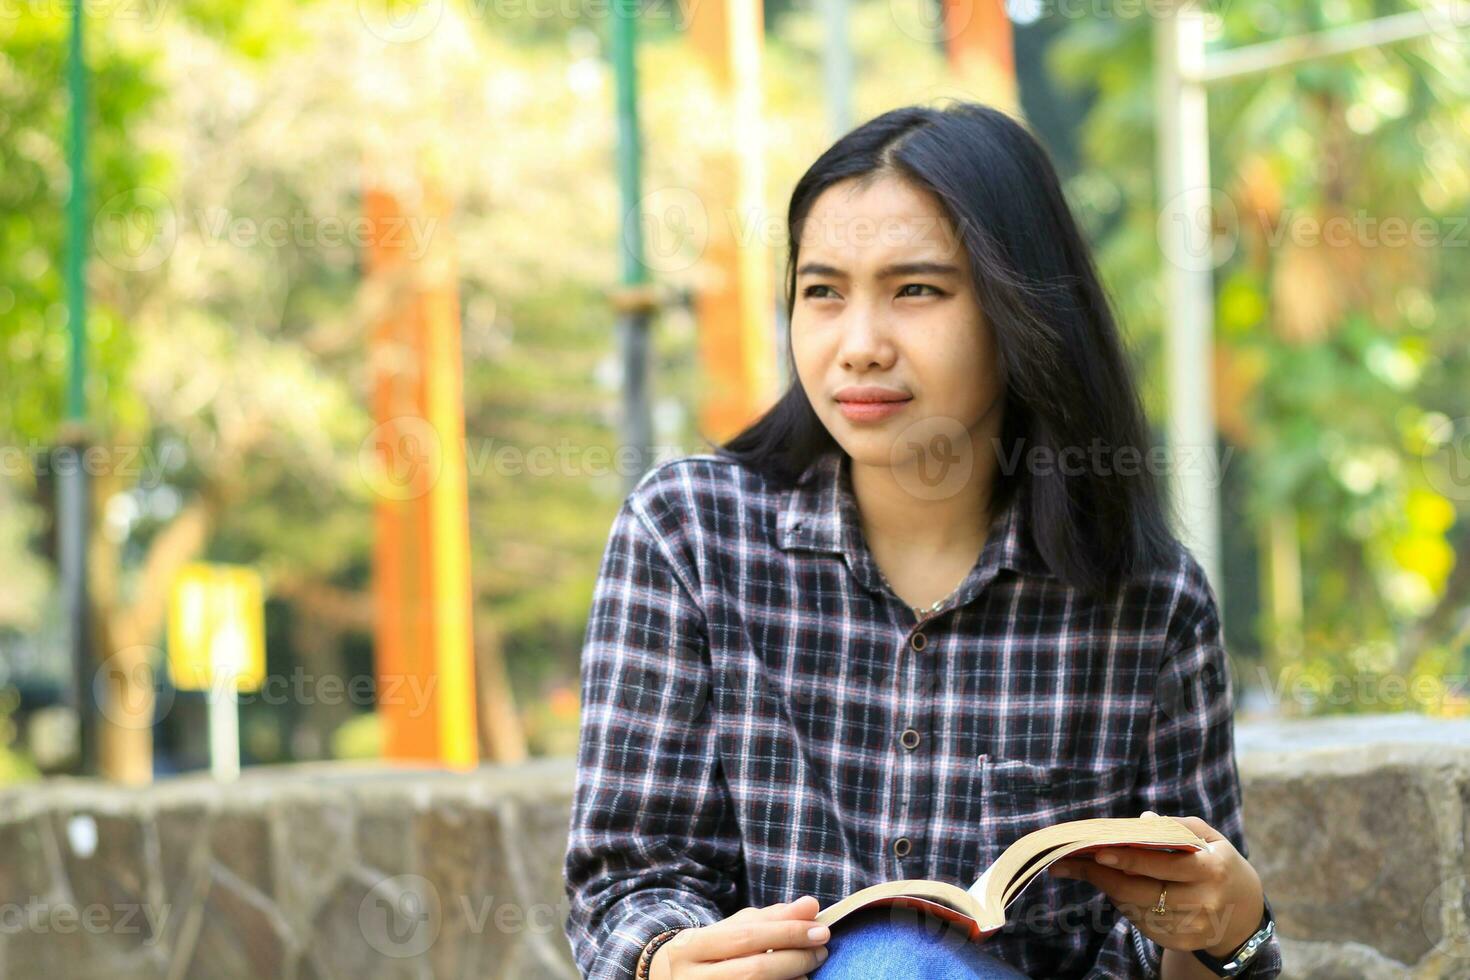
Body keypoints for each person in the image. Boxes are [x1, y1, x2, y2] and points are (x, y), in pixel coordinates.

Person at [563, 100, 1283, 980]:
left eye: (917, 290)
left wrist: (1231, 929)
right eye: (822, 291)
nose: (858, 346)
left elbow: (1174, 935)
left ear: (1020, 310)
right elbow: (627, 884)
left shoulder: (1147, 603)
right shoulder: (687, 534)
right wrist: (670, 962)